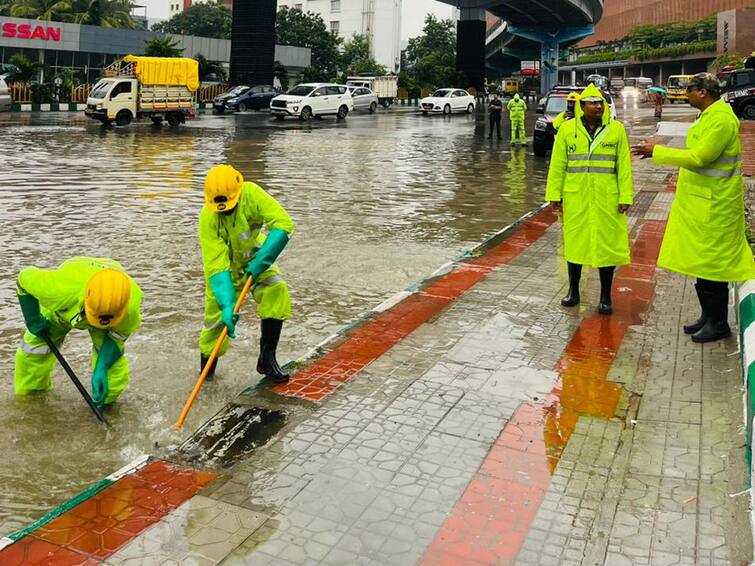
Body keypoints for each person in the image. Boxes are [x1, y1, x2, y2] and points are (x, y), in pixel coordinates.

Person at [632, 72, 754, 343]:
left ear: (702, 92)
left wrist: (657, 152)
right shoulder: (708, 116)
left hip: (717, 206)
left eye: (689, 90)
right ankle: (708, 316)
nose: (685, 94)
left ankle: (719, 323)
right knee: (703, 262)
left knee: (713, 265)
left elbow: (701, 157)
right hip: (703, 203)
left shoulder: (721, 119)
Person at [199, 164, 295, 382]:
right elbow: (215, 264)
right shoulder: (207, 219)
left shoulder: (252, 193)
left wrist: (263, 260)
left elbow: (283, 224)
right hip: (225, 272)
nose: (227, 210)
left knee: (276, 289)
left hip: (257, 258)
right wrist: (226, 304)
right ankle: (206, 375)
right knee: (215, 324)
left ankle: (267, 359)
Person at [545, 83, 633, 314]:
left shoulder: (616, 130)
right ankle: (573, 290)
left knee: (607, 246)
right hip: (576, 197)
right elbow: (558, 165)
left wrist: (625, 196)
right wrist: (554, 194)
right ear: (582, 106)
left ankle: (605, 296)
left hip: (607, 198)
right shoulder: (566, 130)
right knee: (575, 244)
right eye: (593, 103)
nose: (598, 106)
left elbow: (623, 166)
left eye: (600, 102)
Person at [14, 257, 142, 408]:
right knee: (35, 351)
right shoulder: (58, 288)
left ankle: (106, 405)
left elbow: (115, 338)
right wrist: (33, 317)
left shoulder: (130, 308)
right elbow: (23, 279)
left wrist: (102, 366)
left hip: (111, 298)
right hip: (63, 308)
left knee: (111, 369)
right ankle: (32, 399)